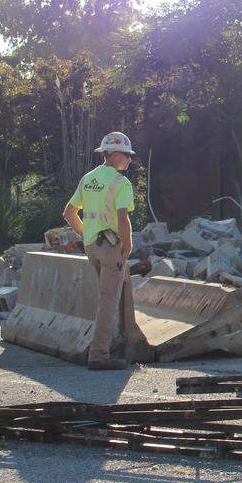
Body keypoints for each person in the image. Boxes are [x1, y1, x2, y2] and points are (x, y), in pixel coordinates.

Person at [62, 132, 137, 370]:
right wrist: (128, 244)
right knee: (108, 300)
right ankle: (99, 354)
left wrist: (87, 235)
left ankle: (109, 342)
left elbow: (69, 213)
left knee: (106, 297)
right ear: (115, 154)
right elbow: (122, 217)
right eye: (127, 155)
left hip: (92, 245)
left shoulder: (88, 179)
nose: (129, 160)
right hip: (111, 247)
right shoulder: (121, 183)